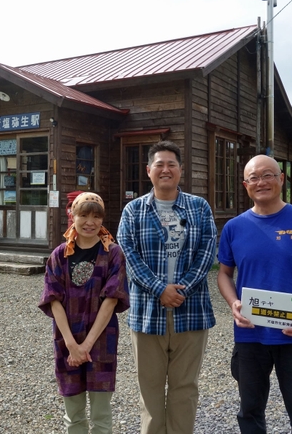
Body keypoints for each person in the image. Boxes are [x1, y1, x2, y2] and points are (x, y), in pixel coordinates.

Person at [216, 154, 292, 434]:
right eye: (254, 177)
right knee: (250, 413)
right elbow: (223, 273)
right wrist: (234, 302)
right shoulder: (234, 227)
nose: (261, 182)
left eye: (268, 175)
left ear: (281, 179)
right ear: (245, 185)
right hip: (249, 335)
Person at [117, 140, 217, 434]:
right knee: (149, 389)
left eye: (171, 164)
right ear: (148, 171)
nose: (165, 169)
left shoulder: (198, 207)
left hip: (192, 310)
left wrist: (181, 288)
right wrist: (160, 289)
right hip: (147, 313)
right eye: (159, 164)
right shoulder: (133, 211)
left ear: (181, 171)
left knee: (184, 388)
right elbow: (129, 256)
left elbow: (207, 252)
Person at [39, 192, 129, 434]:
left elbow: (111, 300)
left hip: (101, 341)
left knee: (101, 414)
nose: (90, 222)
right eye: (84, 215)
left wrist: (86, 346)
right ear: (72, 216)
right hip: (66, 340)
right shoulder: (59, 255)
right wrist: (72, 345)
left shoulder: (113, 254)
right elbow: (53, 300)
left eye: (96, 216)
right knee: (73, 414)